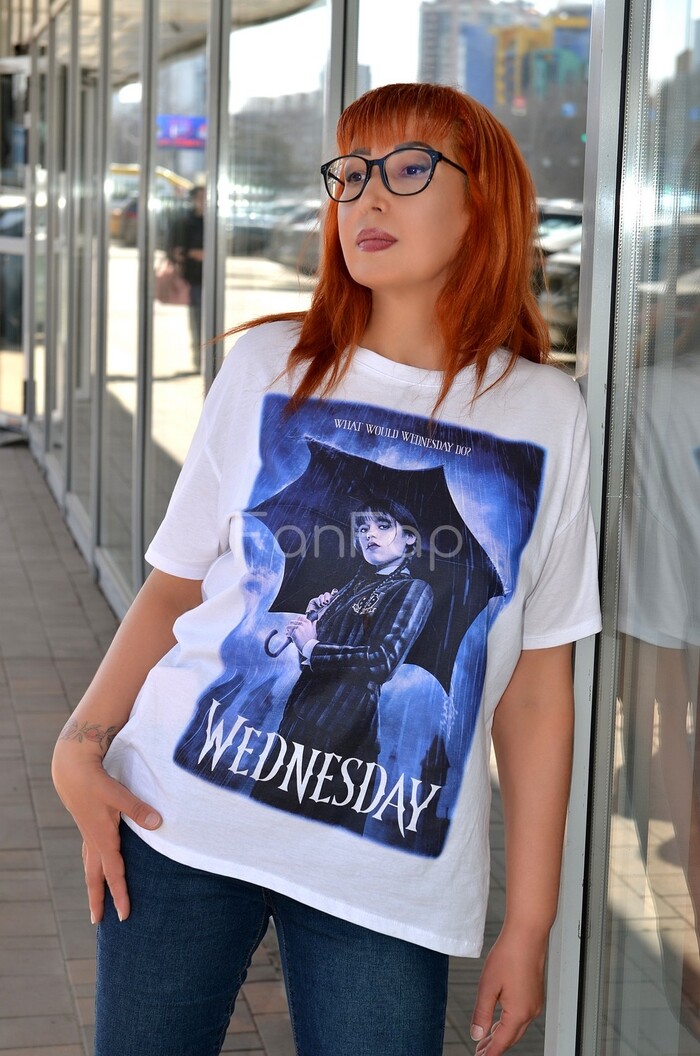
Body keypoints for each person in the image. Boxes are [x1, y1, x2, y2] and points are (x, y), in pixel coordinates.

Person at [51, 82, 601, 1056]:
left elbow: (534, 688)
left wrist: (530, 923)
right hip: (179, 815)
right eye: (350, 172)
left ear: (484, 204)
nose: (366, 196)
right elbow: (178, 586)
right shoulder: (268, 364)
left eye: (408, 168)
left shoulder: (545, 414)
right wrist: (79, 745)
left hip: (384, 867)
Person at [174, 183, 205, 370]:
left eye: (205, 197)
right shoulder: (186, 221)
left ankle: (209, 356)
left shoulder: (216, 221)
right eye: (200, 197)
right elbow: (176, 248)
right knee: (198, 316)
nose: (203, 201)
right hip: (195, 276)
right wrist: (192, 253)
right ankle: (199, 354)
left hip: (214, 279)